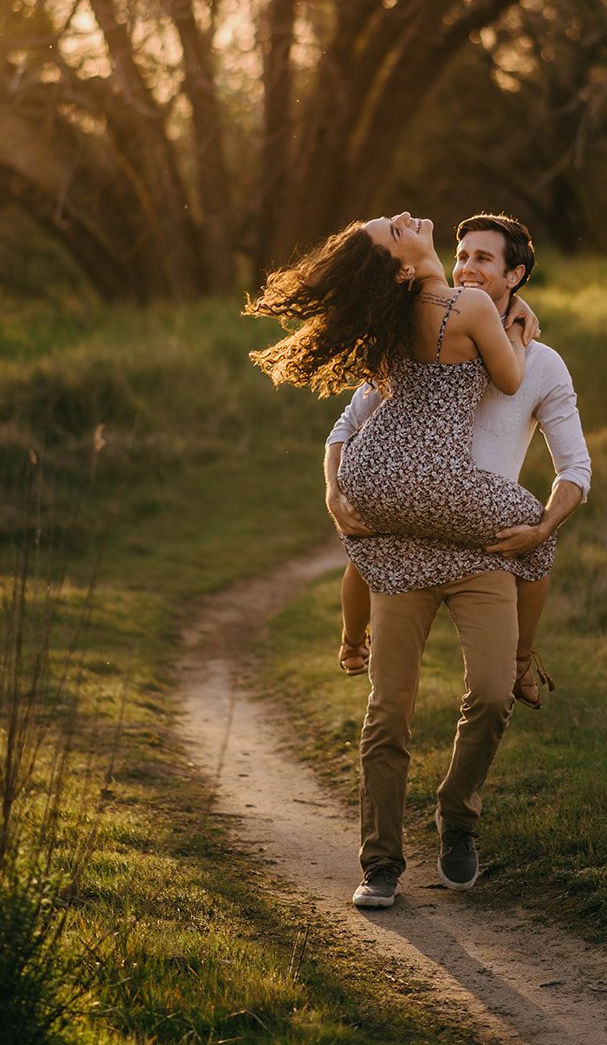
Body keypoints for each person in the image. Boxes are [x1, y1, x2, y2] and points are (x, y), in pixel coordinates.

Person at [250, 210, 589, 909]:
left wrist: (543, 523)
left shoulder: (543, 364)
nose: (468, 266)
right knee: (388, 709)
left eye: (483, 259)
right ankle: (379, 863)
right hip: (406, 546)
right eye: (461, 254)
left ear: (514, 274)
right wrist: (331, 492)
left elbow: (573, 466)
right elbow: (347, 426)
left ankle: (457, 817)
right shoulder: (413, 318)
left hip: (483, 553)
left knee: (491, 696)